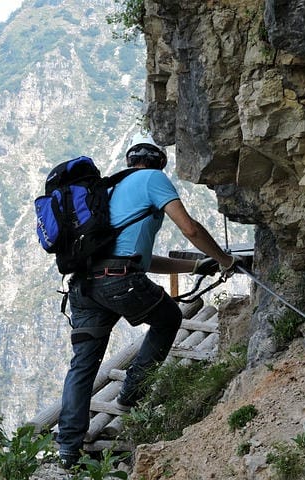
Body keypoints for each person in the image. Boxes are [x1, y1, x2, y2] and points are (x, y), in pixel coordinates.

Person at [56, 132, 240, 468]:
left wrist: (195, 266)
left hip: (84, 287)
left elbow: (140, 259)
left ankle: (67, 448)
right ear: (159, 165)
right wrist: (224, 260)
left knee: (83, 364)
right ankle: (132, 392)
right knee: (168, 318)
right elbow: (190, 229)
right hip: (119, 282)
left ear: (130, 162)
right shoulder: (153, 179)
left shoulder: (106, 190)